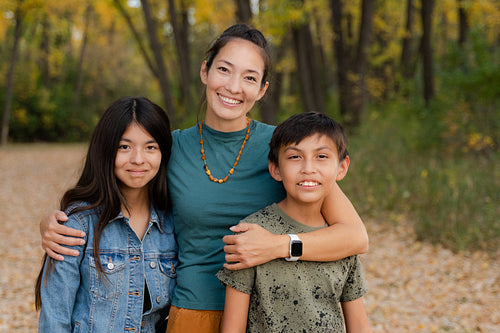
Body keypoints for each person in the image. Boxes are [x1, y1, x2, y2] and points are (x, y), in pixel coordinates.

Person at [39, 24, 369, 333]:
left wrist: (276, 245)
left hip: (272, 312)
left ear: (263, 89)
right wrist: (60, 222)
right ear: (204, 71)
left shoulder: (285, 151)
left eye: (250, 77)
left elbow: (355, 237)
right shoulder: (169, 148)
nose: (234, 87)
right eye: (224, 69)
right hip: (193, 313)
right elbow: (121, 193)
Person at [217, 112, 371, 333]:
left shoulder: (340, 240)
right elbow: (232, 329)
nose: (308, 168)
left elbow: (358, 324)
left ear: (342, 167)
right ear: (275, 169)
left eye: (321, 157)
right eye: (295, 157)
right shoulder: (251, 235)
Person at [34, 97, 178, 332]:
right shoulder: (77, 225)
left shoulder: (172, 224)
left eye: (150, 147)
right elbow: (54, 319)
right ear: (106, 149)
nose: (138, 159)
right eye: (124, 147)